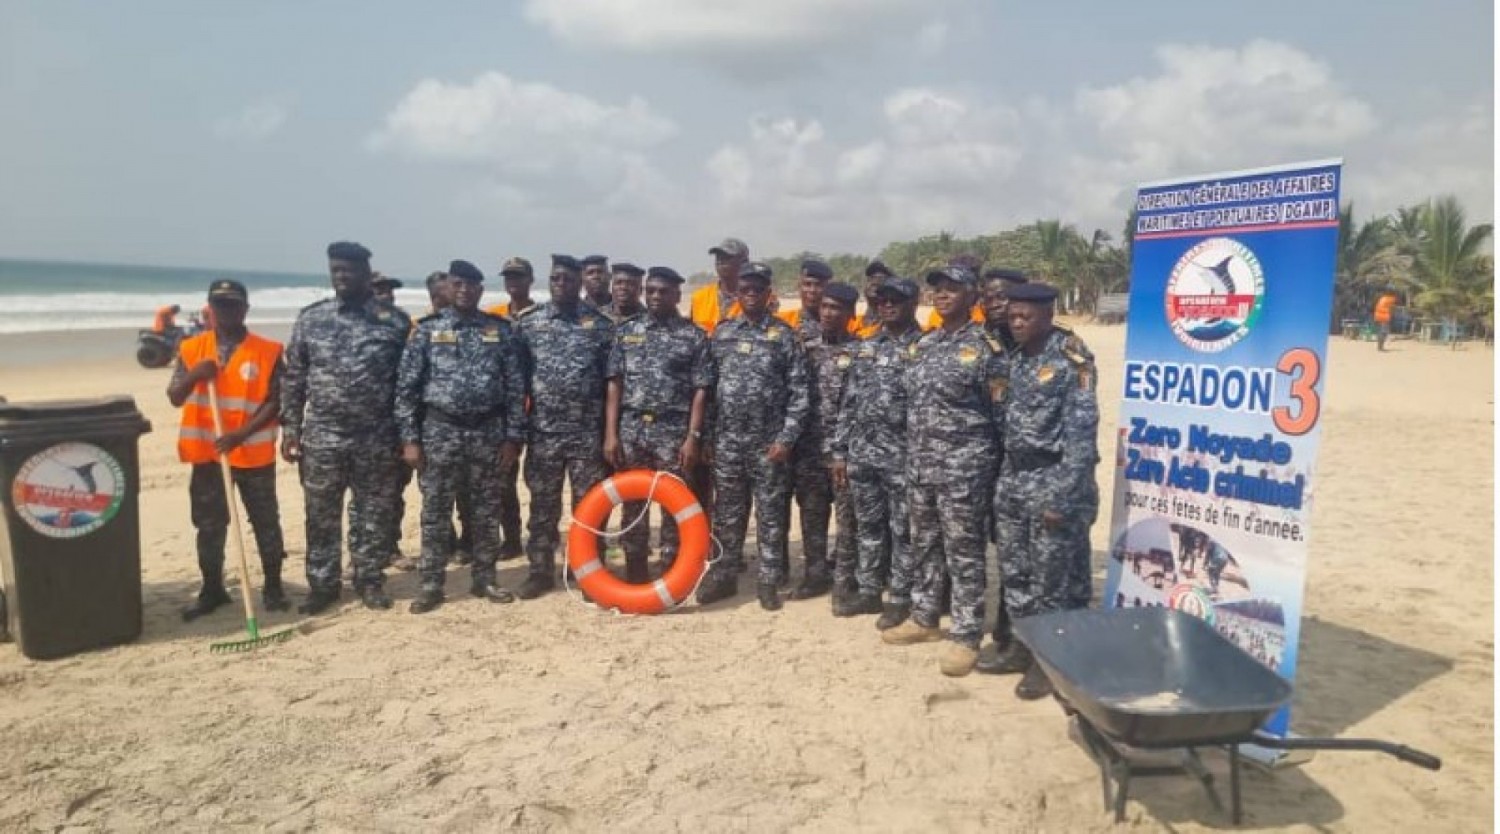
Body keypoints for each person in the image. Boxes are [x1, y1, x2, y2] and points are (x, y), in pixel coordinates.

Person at [882, 265, 1006, 678]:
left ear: (973, 297)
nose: (942, 294)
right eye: (937, 288)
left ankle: (967, 633)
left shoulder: (987, 349)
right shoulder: (925, 345)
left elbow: (1001, 417)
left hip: (964, 471)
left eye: (953, 288)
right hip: (920, 466)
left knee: (964, 551)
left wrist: (988, 470)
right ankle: (925, 617)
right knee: (925, 544)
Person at [280, 241, 411, 613]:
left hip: (377, 436)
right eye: (335, 270)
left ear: (367, 275)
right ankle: (323, 585)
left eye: (349, 270)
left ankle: (369, 579)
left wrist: (405, 435)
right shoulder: (311, 319)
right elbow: (295, 377)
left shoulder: (393, 321)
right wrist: (290, 428)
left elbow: (406, 385)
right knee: (321, 514)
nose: (341, 276)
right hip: (323, 434)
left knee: (374, 513)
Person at [989, 281, 1100, 698]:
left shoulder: (1073, 360)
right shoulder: (1015, 360)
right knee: (1015, 572)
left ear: (1048, 315)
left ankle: (1049, 661)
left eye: (1025, 316)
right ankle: (1022, 646)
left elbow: (1081, 438)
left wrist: (1064, 496)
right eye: (1012, 316)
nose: (1016, 323)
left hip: (1054, 480)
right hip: (1016, 479)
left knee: (1051, 581)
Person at [396, 259, 526, 612]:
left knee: (486, 510)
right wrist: (410, 438)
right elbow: (407, 389)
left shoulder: (500, 331)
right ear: (448, 288)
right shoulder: (425, 331)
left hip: (488, 431)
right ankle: (431, 585)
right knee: (436, 511)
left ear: (481, 291)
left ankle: (485, 579)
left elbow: (515, 389)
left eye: (472, 285)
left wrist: (513, 438)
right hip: (441, 431)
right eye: (458, 284)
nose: (465, 290)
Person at [167, 280, 289, 619]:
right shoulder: (192, 348)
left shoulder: (268, 350)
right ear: (209, 308)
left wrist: (241, 434)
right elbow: (175, 396)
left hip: (252, 455)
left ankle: (275, 588)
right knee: (209, 525)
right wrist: (194, 376)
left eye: (233, 305)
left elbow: (277, 401)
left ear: (245, 309)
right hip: (208, 456)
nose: (226, 311)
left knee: (265, 523)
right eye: (219, 305)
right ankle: (212, 590)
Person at [696, 261, 810, 610]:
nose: (750, 294)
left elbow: (800, 393)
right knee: (728, 515)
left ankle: (769, 581)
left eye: (757, 289)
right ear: (737, 292)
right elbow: (709, 390)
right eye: (745, 288)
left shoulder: (784, 336)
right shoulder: (723, 333)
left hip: (768, 444)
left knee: (771, 514)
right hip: (729, 442)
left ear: (767, 294)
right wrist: (709, 437)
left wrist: (786, 439)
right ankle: (724, 576)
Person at [602, 266, 713, 582]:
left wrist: (693, 437)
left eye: (662, 291)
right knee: (633, 503)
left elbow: (700, 390)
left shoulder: (693, 337)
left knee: (674, 503)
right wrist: (611, 434)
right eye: (650, 290)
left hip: (673, 431)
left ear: (677, 295)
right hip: (633, 429)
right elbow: (615, 384)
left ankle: (670, 567)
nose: (655, 296)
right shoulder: (627, 332)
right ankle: (635, 566)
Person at [514, 255, 615, 599]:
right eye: (556, 278)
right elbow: (518, 382)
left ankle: (587, 573)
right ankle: (540, 572)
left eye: (568, 280)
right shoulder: (529, 324)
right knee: (543, 506)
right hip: (543, 432)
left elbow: (611, 382)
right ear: (549, 280)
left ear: (580, 283)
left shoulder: (601, 326)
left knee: (589, 507)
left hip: (587, 433)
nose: (561, 284)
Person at [830, 277, 924, 620]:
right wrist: (840, 452)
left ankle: (899, 597)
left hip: (903, 459)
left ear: (914, 302)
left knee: (903, 531)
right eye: (881, 300)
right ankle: (869, 590)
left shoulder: (926, 349)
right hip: (863, 456)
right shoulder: (867, 347)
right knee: (868, 527)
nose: (886, 305)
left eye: (895, 299)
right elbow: (848, 403)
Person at [789, 281, 860, 603]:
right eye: (826, 307)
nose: (829, 313)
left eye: (837, 308)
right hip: (809, 448)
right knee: (812, 514)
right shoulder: (804, 347)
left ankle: (844, 580)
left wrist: (843, 451)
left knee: (847, 520)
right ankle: (815, 573)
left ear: (849, 314)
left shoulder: (861, 352)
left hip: (844, 452)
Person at [483, 257, 537, 559]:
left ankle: (544, 531)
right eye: (508, 277)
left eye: (518, 277)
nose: (513, 282)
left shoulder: (540, 316)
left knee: (539, 480)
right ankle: (512, 537)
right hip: (506, 411)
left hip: (539, 410)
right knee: (504, 479)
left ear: (530, 280)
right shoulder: (493, 318)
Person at [689, 238, 749, 336]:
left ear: (744, 262)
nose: (720, 261)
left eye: (727, 257)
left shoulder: (758, 298)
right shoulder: (699, 298)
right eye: (718, 257)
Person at [854, 260, 893, 339]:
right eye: (871, 278)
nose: (874, 281)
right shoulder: (854, 321)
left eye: (881, 279)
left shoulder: (894, 327)